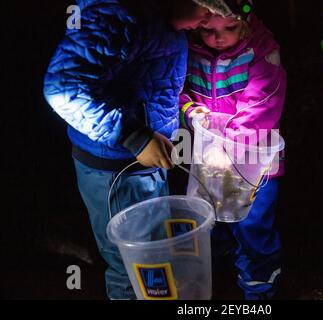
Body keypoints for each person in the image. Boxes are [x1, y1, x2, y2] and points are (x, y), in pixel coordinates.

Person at [43, 0, 212, 300]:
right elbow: (63, 88)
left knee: (153, 255)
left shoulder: (165, 20)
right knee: (131, 267)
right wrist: (134, 136)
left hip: (144, 165)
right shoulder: (120, 16)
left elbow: (152, 79)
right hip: (116, 172)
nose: (208, 22)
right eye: (209, 11)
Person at [179, 0, 286, 299]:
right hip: (208, 164)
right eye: (208, 30)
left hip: (255, 166)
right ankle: (221, 279)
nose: (218, 37)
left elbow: (261, 105)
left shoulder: (263, 52)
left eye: (230, 27)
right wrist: (192, 112)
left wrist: (229, 147)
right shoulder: (190, 51)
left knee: (252, 227)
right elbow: (179, 91)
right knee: (213, 225)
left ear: (246, 20)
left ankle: (260, 290)